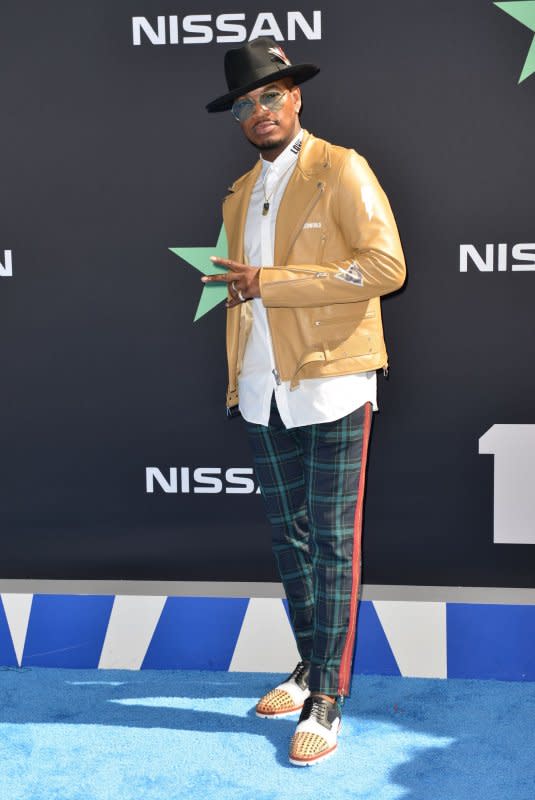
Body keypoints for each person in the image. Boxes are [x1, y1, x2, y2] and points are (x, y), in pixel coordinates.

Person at [203, 37, 406, 766]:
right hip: (262, 389)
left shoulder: (340, 168)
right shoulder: (236, 192)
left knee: (330, 543)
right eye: (245, 103)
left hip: (333, 381)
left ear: (296, 98)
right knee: (290, 541)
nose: (260, 110)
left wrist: (274, 281)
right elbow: (240, 295)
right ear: (236, 117)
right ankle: (307, 664)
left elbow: (386, 267)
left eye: (271, 94)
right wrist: (238, 372)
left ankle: (328, 693)